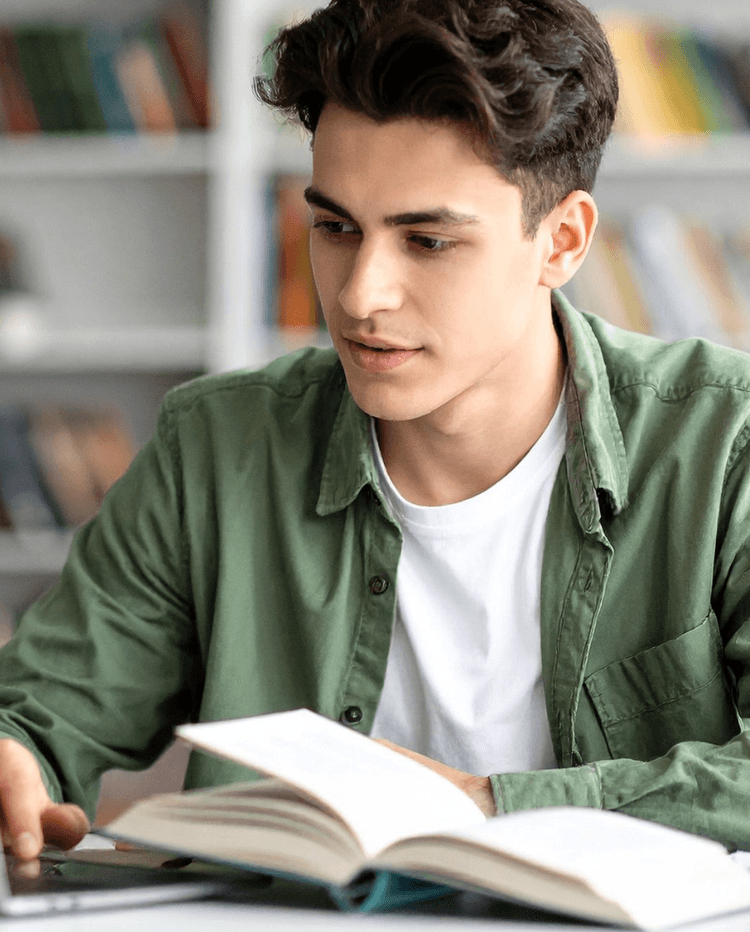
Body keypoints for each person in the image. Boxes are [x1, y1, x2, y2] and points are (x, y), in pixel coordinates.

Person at [1, 0, 750, 863]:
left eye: (427, 241)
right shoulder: (213, 449)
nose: (360, 296)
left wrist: (487, 807)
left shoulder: (723, 446)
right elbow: (41, 711)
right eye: (334, 227)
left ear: (563, 241)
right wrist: (18, 759)